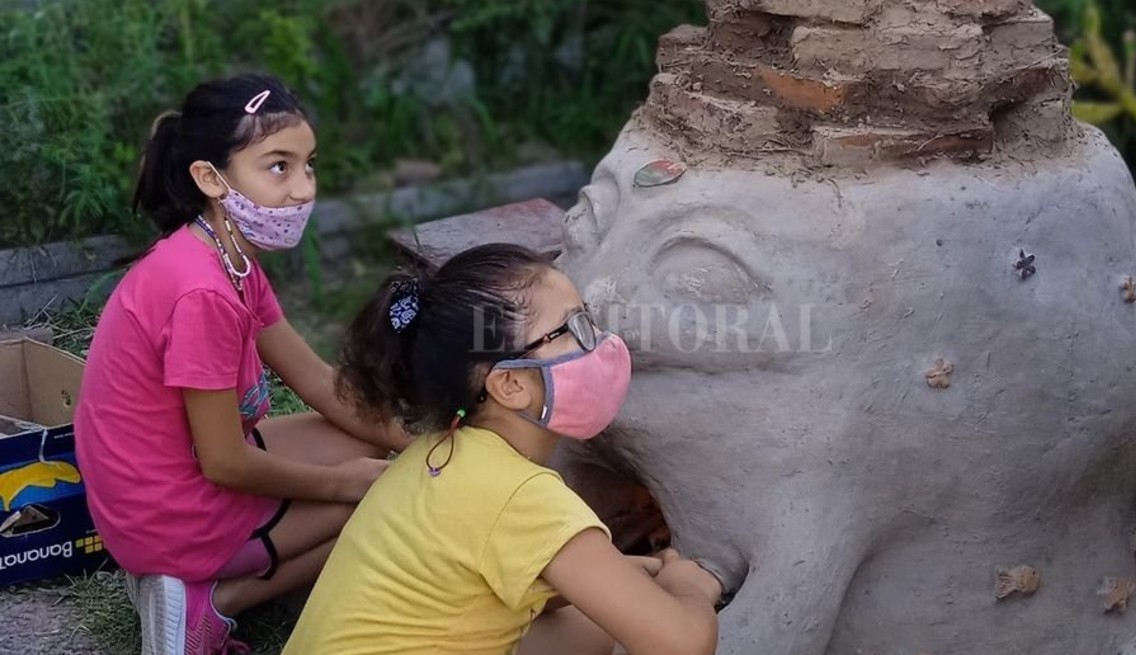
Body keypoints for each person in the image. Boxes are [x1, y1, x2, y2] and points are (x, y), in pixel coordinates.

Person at [73, 73, 410, 655]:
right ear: (210, 178)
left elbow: (316, 380)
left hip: (157, 481)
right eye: (278, 166)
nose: (303, 189)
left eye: (308, 165)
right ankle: (211, 605)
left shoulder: (227, 259)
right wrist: (344, 483)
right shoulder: (201, 294)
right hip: (165, 513)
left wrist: (415, 442)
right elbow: (225, 462)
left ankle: (192, 578)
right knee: (385, 502)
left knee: (373, 450)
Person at [281, 243, 723, 655]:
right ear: (510, 384)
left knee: (587, 626)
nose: (599, 340)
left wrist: (620, 575)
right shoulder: (522, 498)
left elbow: (499, 569)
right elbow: (680, 645)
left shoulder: (438, 455)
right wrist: (688, 587)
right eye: (573, 327)